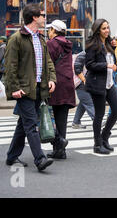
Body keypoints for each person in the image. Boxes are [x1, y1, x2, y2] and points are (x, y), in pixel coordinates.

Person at [4, 4, 55, 172]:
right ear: (34, 17)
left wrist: (52, 79)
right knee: (31, 124)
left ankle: (12, 156)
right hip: (24, 90)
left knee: (23, 124)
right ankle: (40, 159)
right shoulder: (17, 38)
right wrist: (14, 88)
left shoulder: (40, 38)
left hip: (39, 89)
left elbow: (48, 62)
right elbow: (10, 66)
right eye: (42, 15)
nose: (44, 17)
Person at [85, 19, 117, 154]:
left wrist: (115, 51)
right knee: (99, 115)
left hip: (109, 83)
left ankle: (105, 136)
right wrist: (106, 66)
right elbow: (89, 64)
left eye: (108, 28)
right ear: (97, 30)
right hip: (97, 83)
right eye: (103, 28)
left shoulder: (108, 43)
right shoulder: (92, 45)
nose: (107, 31)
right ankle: (97, 144)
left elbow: (113, 60)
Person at [46, 20, 76, 159]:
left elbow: (47, 64)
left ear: (53, 30)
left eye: (49, 29)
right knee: (62, 119)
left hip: (55, 83)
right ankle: (60, 151)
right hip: (68, 83)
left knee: (51, 117)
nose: (48, 32)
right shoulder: (68, 44)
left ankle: (59, 142)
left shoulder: (51, 44)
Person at [72, 50, 95, 129]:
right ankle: (97, 120)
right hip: (81, 82)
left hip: (84, 81)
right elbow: (77, 69)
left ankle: (76, 122)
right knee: (89, 103)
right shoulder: (84, 54)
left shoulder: (91, 53)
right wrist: (84, 80)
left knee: (83, 103)